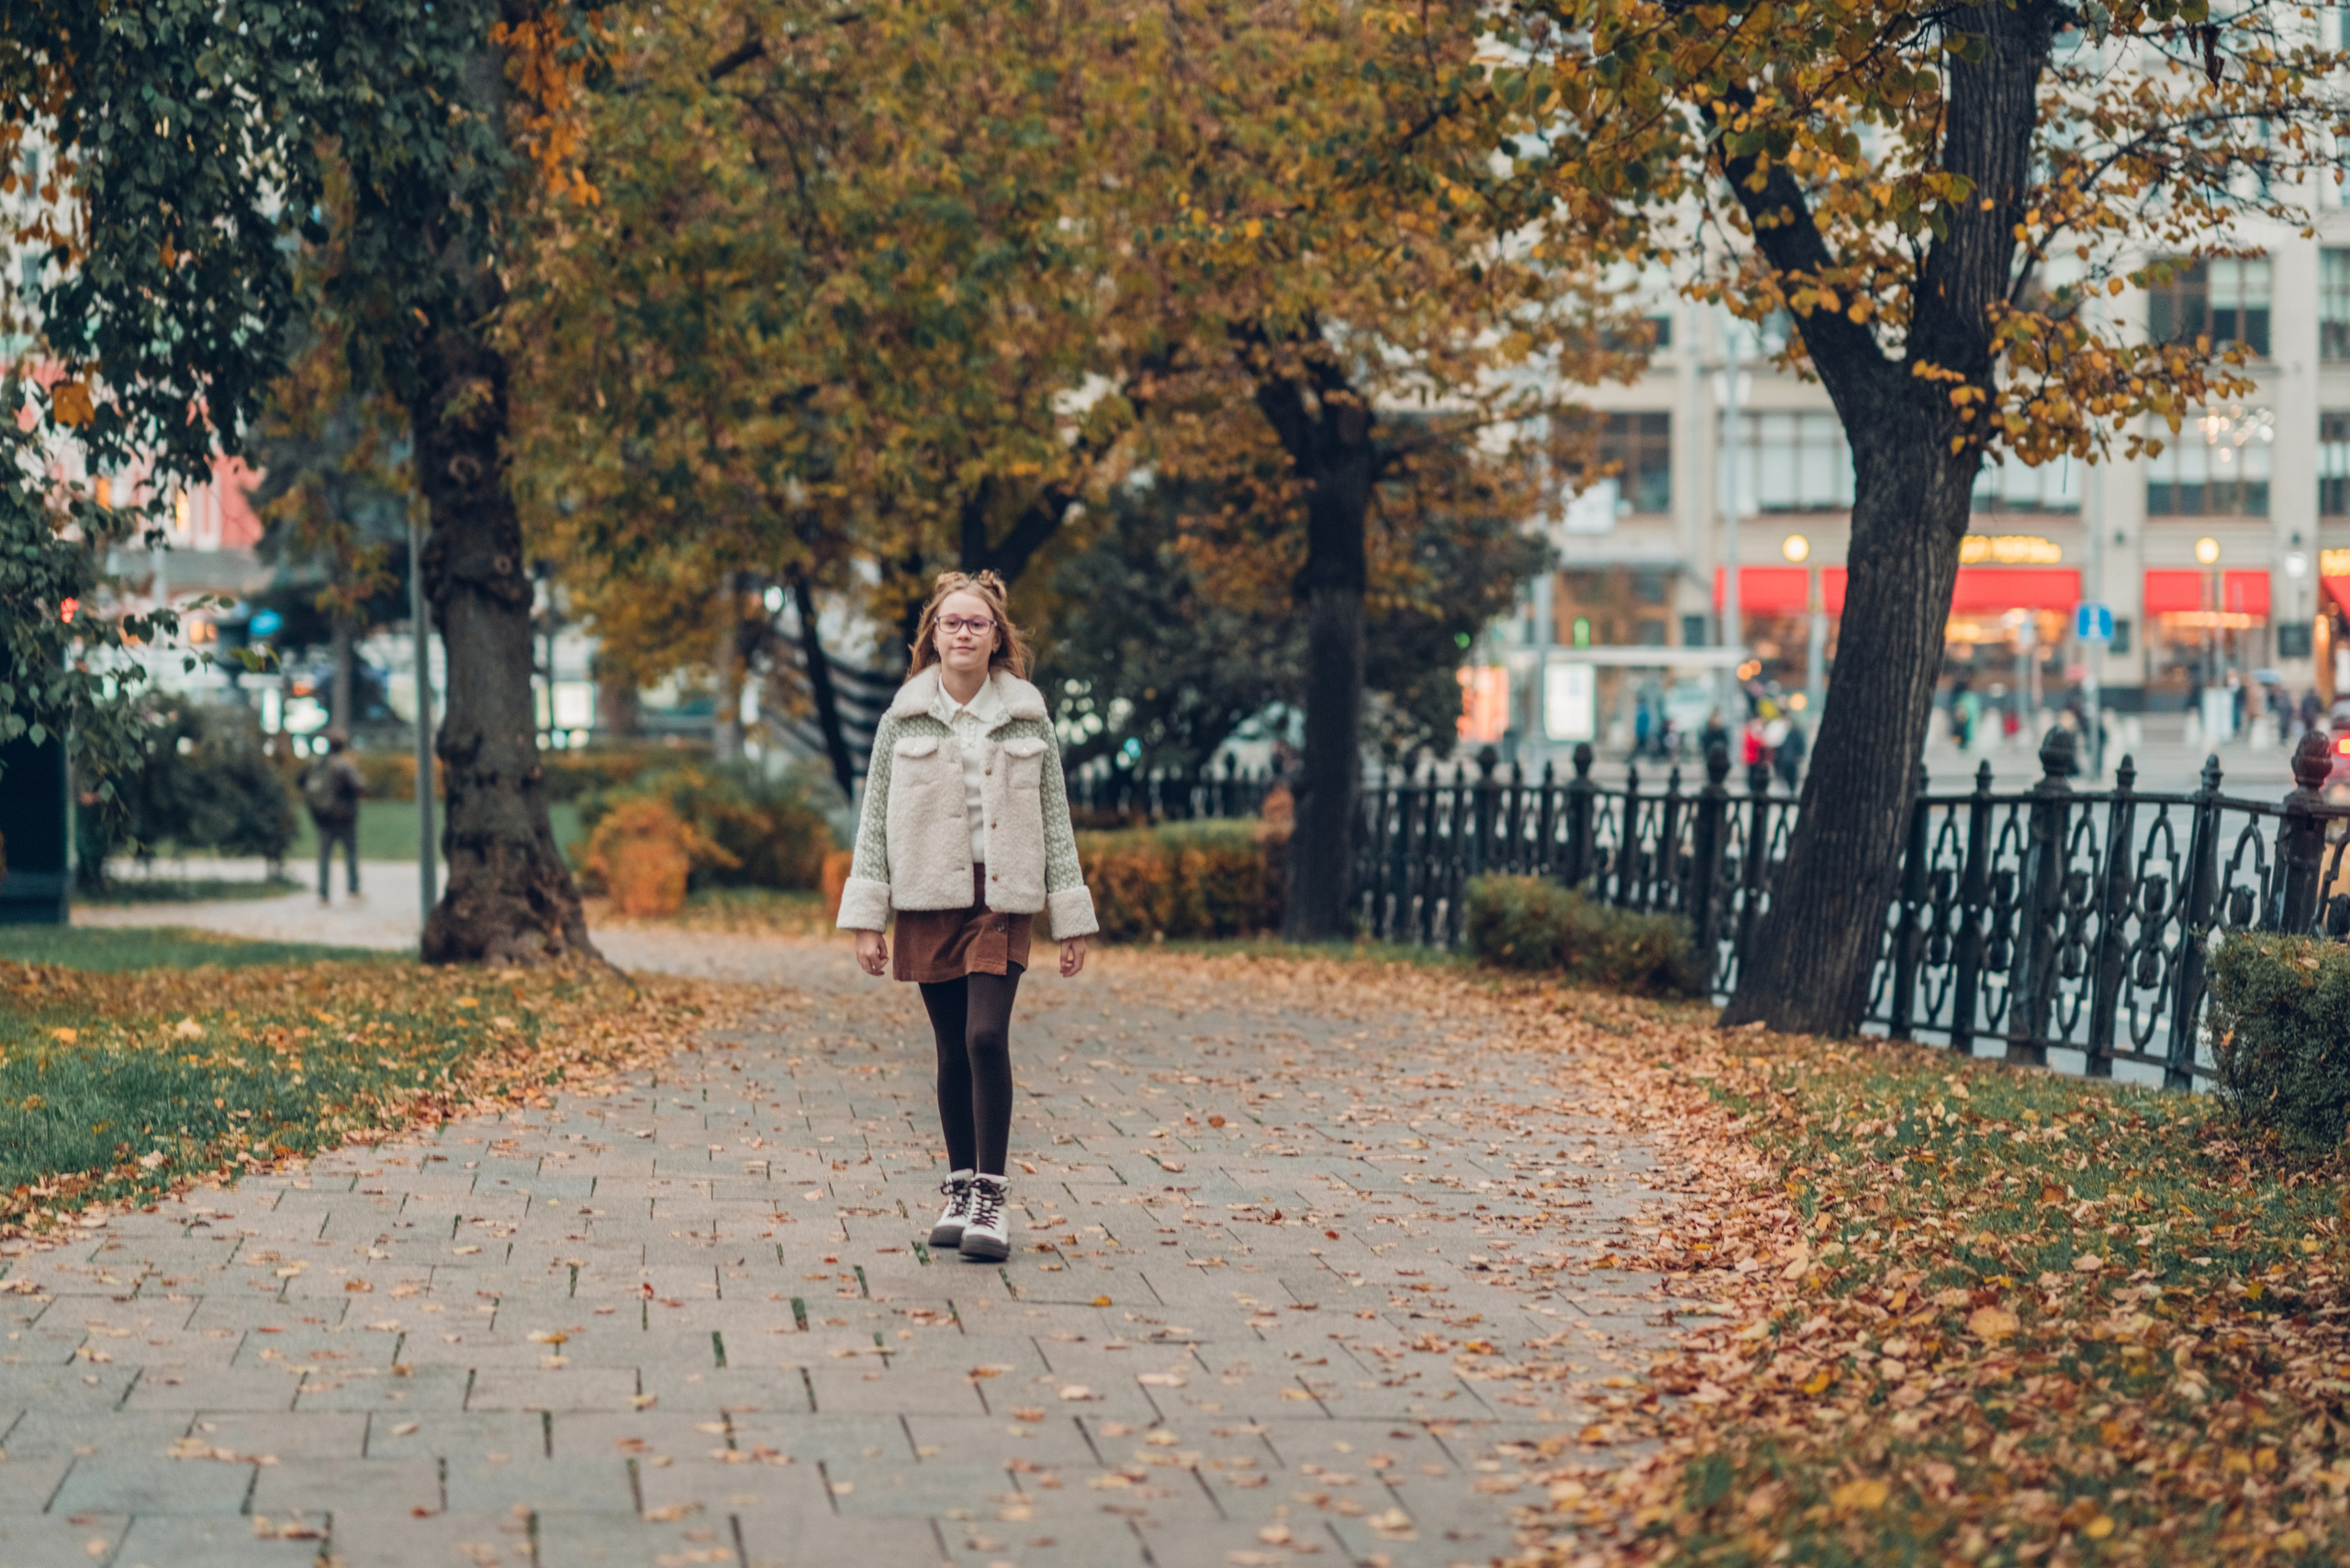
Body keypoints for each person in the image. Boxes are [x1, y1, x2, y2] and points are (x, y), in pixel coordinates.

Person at [836, 571, 1098, 1264]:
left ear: (996, 638)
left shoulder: (1027, 716)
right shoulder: (903, 718)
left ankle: (990, 1197)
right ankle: (956, 1186)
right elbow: (874, 821)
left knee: (986, 1037)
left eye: (975, 624)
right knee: (951, 1046)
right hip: (927, 897)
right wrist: (870, 916)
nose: (962, 633)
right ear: (933, 637)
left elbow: (1054, 817)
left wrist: (1071, 916)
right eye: (951, 623)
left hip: (1002, 897)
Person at [301, 731, 364, 905]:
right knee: (351, 854)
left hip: (324, 816)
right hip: (344, 817)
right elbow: (359, 786)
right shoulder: (344, 765)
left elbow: (302, 781)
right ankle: (353, 890)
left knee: (324, 856)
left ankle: (323, 893)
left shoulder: (318, 764)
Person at [1773, 716, 1807, 792]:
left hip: (1792, 759)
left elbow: (1801, 745)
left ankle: (1792, 791)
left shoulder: (1796, 734)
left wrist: (1800, 756)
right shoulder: (1785, 733)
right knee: (1784, 777)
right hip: (1784, 759)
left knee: (1792, 777)